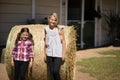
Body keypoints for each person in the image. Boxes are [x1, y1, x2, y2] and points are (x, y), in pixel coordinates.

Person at [44, 12, 66, 80]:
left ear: (57, 21)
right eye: (52, 19)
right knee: (51, 72)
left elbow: (64, 42)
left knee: (56, 71)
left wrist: (63, 54)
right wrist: (44, 54)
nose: (53, 21)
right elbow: (45, 43)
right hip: (49, 53)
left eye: (55, 20)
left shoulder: (60, 29)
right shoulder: (46, 29)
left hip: (58, 54)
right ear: (49, 19)